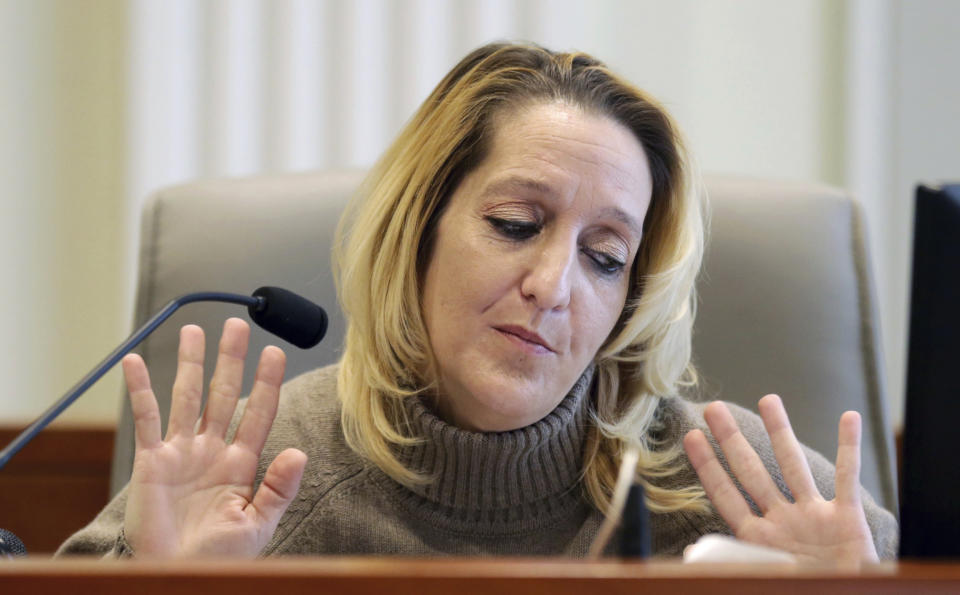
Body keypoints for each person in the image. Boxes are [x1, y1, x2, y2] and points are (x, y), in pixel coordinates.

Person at [58, 42, 897, 561]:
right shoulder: (271, 469)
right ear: (418, 230)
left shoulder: (737, 485)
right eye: (514, 223)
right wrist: (153, 585)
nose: (553, 286)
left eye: (605, 258)